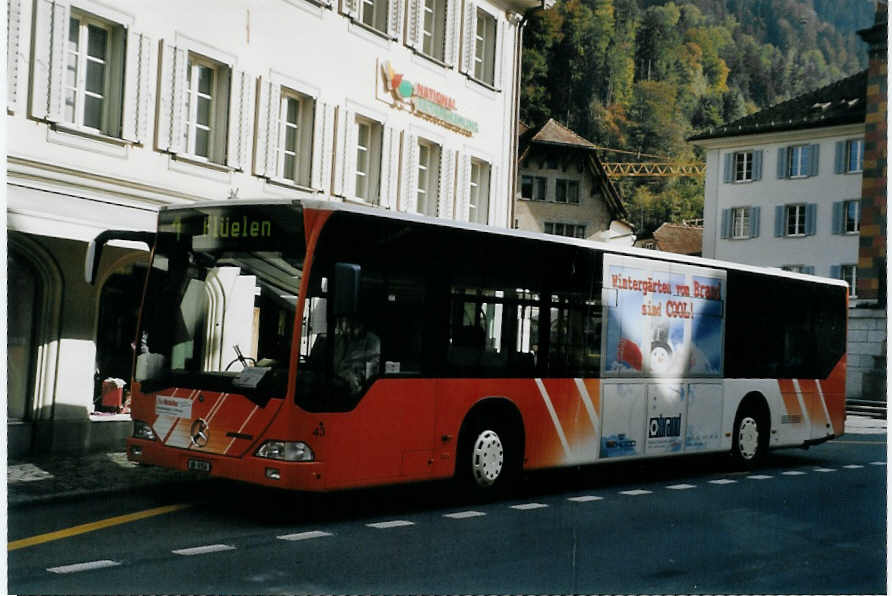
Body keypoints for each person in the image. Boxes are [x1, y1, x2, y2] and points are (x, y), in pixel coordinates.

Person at [332, 316, 381, 395]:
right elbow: (339, 362)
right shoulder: (347, 339)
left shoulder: (373, 340)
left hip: (361, 374)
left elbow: (374, 361)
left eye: (353, 327)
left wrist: (355, 365)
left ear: (361, 326)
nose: (349, 331)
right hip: (344, 372)